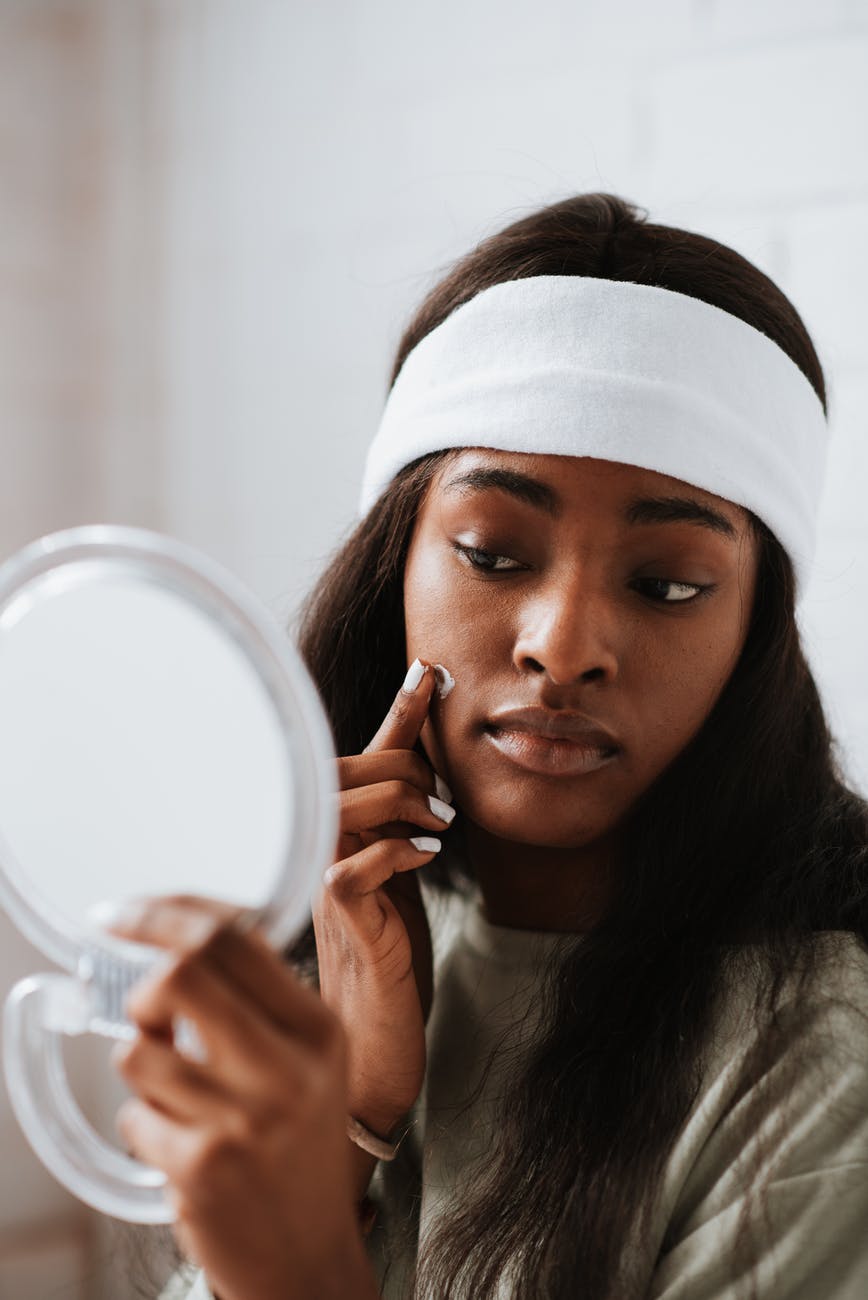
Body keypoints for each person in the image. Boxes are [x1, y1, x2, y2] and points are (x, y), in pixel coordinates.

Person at [105, 193, 868, 1300]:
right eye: (493, 554)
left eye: (665, 584)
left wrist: (297, 1271)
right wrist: (357, 1118)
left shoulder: (816, 1055)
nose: (563, 649)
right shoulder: (336, 954)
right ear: (394, 569)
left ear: (752, 634)